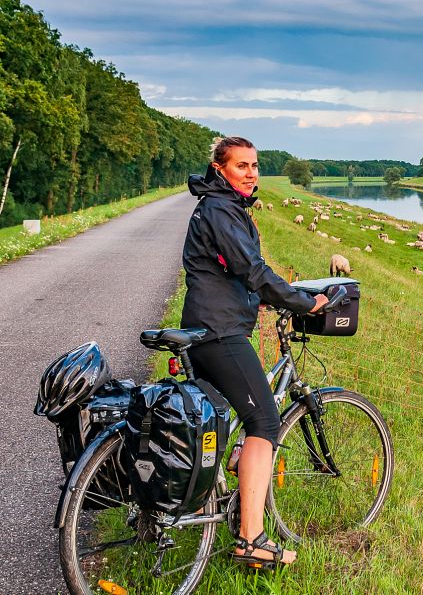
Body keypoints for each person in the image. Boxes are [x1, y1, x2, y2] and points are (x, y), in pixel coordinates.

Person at [180, 135, 327, 568]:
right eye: (242, 165)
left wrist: (257, 299)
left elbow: (224, 270)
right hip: (219, 333)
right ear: (220, 168)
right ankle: (252, 539)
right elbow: (250, 268)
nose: (251, 173)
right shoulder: (221, 208)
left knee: (222, 426)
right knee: (264, 421)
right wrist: (302, 301)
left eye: (255, 166)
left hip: (208, 325)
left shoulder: (220, 205)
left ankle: (219, 508)